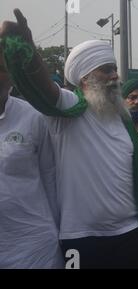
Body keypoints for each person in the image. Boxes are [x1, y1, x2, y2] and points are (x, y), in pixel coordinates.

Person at [0, 9, 138, 268]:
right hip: (82, 240)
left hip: (130, 232)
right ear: (85, 78)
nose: (115, 75)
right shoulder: (69, 110)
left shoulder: (123, 120)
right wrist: (27, 46)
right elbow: (43, 88)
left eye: (114, 68)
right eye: (106, 70)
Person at [0, 47, 63, 269]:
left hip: (34, 249)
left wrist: (60, 234)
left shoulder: (32, 117)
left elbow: (51, 179)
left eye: (2, 69)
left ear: (12, 75)